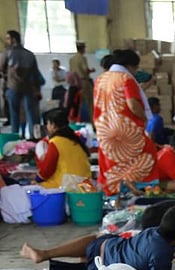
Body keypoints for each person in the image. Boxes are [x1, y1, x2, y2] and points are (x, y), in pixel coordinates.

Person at [20, 204, 175, 270]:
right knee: (95, 243)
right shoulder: (163, 252)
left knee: (98, 239)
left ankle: (46, 253)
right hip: (103, 266)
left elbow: (148, 253)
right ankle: (45, 254)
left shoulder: (153, 232)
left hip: (107, 248)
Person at [92, 49, 157, 195]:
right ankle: (135, 188)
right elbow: (133, 104)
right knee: (148, 153)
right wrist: (144, 118)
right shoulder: (126, 79)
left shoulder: (100, 79)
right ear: (130, 66)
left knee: (111, 163)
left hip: (104, 129)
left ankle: (113, 195)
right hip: (124, 130)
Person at [34, 108, 91, 189]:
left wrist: (37, 179)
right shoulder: (75, 139)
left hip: (67, 185)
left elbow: (47, 169)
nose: (47, 127)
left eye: (48, 124)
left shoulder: (55, 142)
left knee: (35, 187)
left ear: (53, 125)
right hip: (85, 186)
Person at [0, 30, 39, 140]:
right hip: (28, 88)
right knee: (30, 113)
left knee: (14, 114)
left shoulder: (8, 52)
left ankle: (15, 137)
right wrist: (37, 89)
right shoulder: (30, 54)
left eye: (8, 38)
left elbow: (1, 67)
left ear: (13, 39)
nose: (7, 41)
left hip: (13, 87)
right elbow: (35, 74)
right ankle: (32, 137)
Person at [68, 41, 94, 122]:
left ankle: (73, 122)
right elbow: (85, 70)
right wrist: (91, 70)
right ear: (83, 49)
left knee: (76, 103)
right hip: (83, 82)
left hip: (74, 84)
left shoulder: (72, 59)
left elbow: (71, 71)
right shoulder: (82, 58)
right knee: (90, 104)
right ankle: (94, 122)